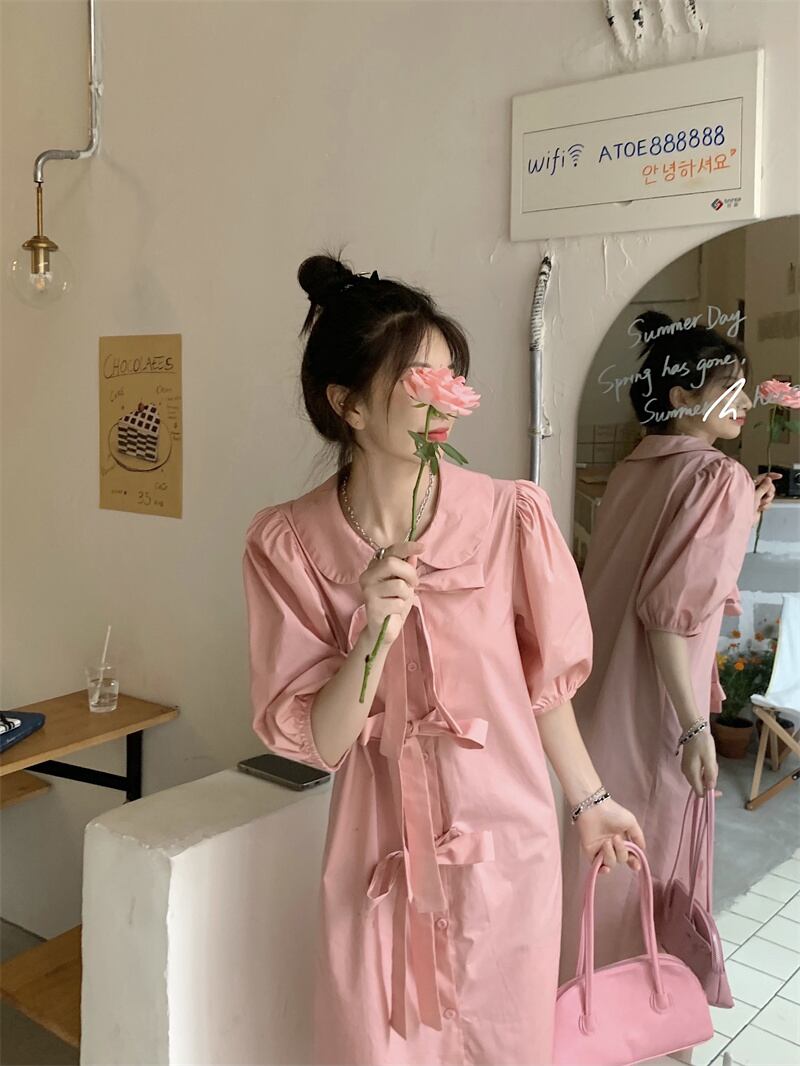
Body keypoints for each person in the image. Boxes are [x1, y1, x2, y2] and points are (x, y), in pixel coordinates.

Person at [242, 254, 645, 1066]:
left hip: (508, 845)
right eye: (415, 380)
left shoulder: (506, 516)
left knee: (505, 1042)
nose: (443, 396)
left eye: (449, 376)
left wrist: (590, 800)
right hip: (379, 853)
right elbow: (319, 742)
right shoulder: (288, 544)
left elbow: (541, 686)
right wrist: (371, 636)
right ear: (348, 403)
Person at [559, 309, 780, 983]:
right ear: (682, 395)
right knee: (642, 865)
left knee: (589, 868)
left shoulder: (633, 468)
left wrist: (738, 517)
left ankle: (571, 1003)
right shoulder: (719, 478)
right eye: (728, 387)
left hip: (592, 696)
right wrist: (693, 727)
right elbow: (669, 618)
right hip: (653, 705)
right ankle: (633, 1015)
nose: (744, 402)